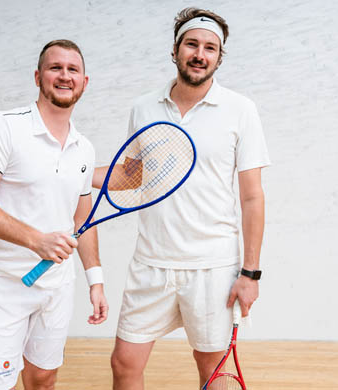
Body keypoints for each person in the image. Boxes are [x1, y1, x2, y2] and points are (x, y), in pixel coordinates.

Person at [92, 7, 270, 389]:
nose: (199, 54)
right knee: (124, 363)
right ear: (175, 50)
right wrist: (70, 174)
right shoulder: (144, 107)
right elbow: (133, 174)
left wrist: (250, 273)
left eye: (210, 47)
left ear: (219, 57)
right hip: (151, 262)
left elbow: (252, 198)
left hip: (212, 266)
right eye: (192, 44)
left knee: (211, 370)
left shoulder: (240, 110)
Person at [0, 39, 109, 390]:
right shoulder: (2, 127)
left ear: (85, 82)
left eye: (73, 70)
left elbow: (81, 220)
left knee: (43, 378)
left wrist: (96, 281)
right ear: (38, 76)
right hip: (1, 284)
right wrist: (35, 240)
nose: (65, 75)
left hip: (57, 286)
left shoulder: (83, 147)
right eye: (56, 68)